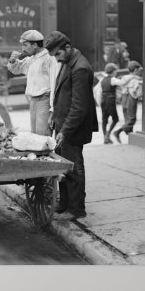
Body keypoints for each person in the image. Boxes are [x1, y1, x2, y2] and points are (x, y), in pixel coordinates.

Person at [44, 31, 98, 220]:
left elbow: (79, 107)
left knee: (73, 168)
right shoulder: (68, 61)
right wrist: (53, 115)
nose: (57, 59)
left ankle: (76, 209)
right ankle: (64, 203)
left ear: (67, 47)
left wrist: (65, 131)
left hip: (73, 128)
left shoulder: (80, 68)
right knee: (62, 166)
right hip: (64, 124)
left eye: (58, 54)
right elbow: (62, 94)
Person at [7, 29, 60, 136]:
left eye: (25, 45)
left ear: (35, 45)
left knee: (42, 137)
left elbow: (55, 84)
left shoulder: (49, 58)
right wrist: (12, 60)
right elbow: (16, 69)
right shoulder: (32, 59)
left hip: (44, 100)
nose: (23, 48)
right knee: (35, 137)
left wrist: (52, 110)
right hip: (33, 101)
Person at [111, 60, 142, 144]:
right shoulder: (136, 80)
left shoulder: (124, 78)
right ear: (135, 70)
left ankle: (130, 139)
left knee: (127, 119)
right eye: (139, 70)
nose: (139, 72)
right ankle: (117, 132)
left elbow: (118, 85)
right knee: (132, 119)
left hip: (124, 99)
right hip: (131, 99)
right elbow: (138, 93)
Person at [99, 63, 120, 144]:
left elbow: (98, 90)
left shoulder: (102, 79)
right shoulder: (113, 79)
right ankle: (108, 134)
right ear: (113, 71)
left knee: (104, 119)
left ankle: (105, 137)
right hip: (110, 101)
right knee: (115, 119)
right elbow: (121, 82)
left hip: (103, 101)